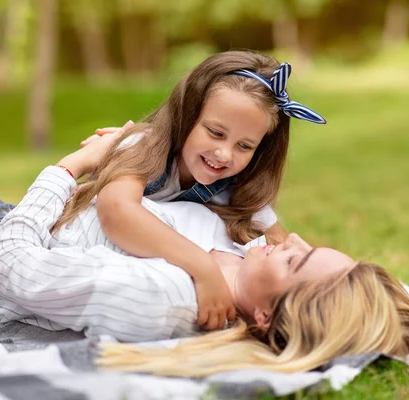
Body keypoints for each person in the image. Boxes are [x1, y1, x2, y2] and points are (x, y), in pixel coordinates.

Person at [0, 120, 409, 377]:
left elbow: (11, 269)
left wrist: (72, 167)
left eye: (296, 259)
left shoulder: (165, 298)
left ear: (268, 317)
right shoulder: (238, 259)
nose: (289, 241)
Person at [54, 51, 327, 331]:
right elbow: (117, 213)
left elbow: (288, 248)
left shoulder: (238, 186)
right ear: (187, 115)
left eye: (244, 146)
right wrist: (204, 269)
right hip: (52, 246)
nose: (223, 154)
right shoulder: (142, 146)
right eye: (215, 132)